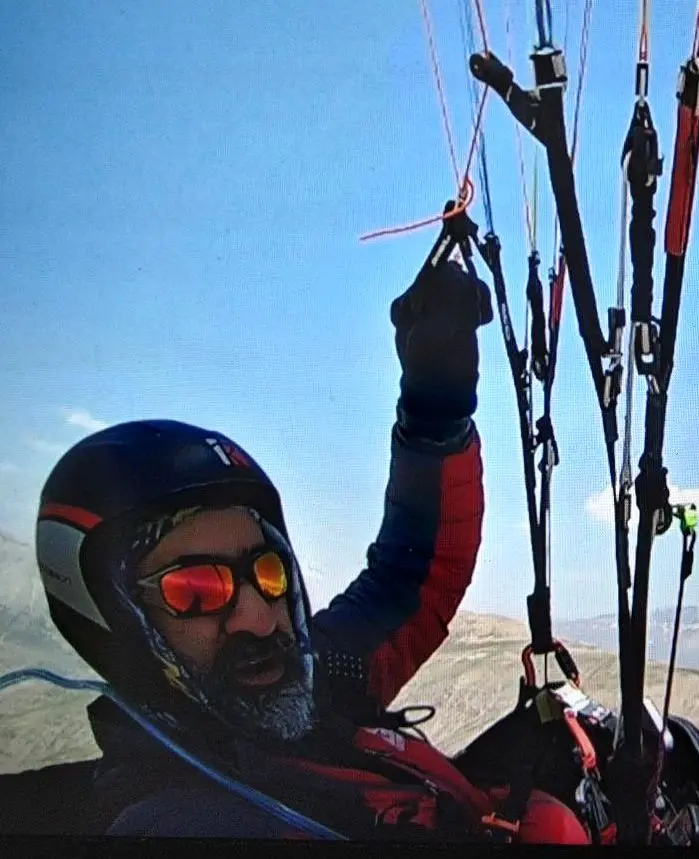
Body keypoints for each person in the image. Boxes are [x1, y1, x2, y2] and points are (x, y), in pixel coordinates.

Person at [32, 260, 591, 844]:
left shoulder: (306, 680)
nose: (257, 614)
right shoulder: (183, 821)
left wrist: (436, 410)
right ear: (114, 620)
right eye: (197, 589)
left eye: (266, 572)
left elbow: (410, 578)